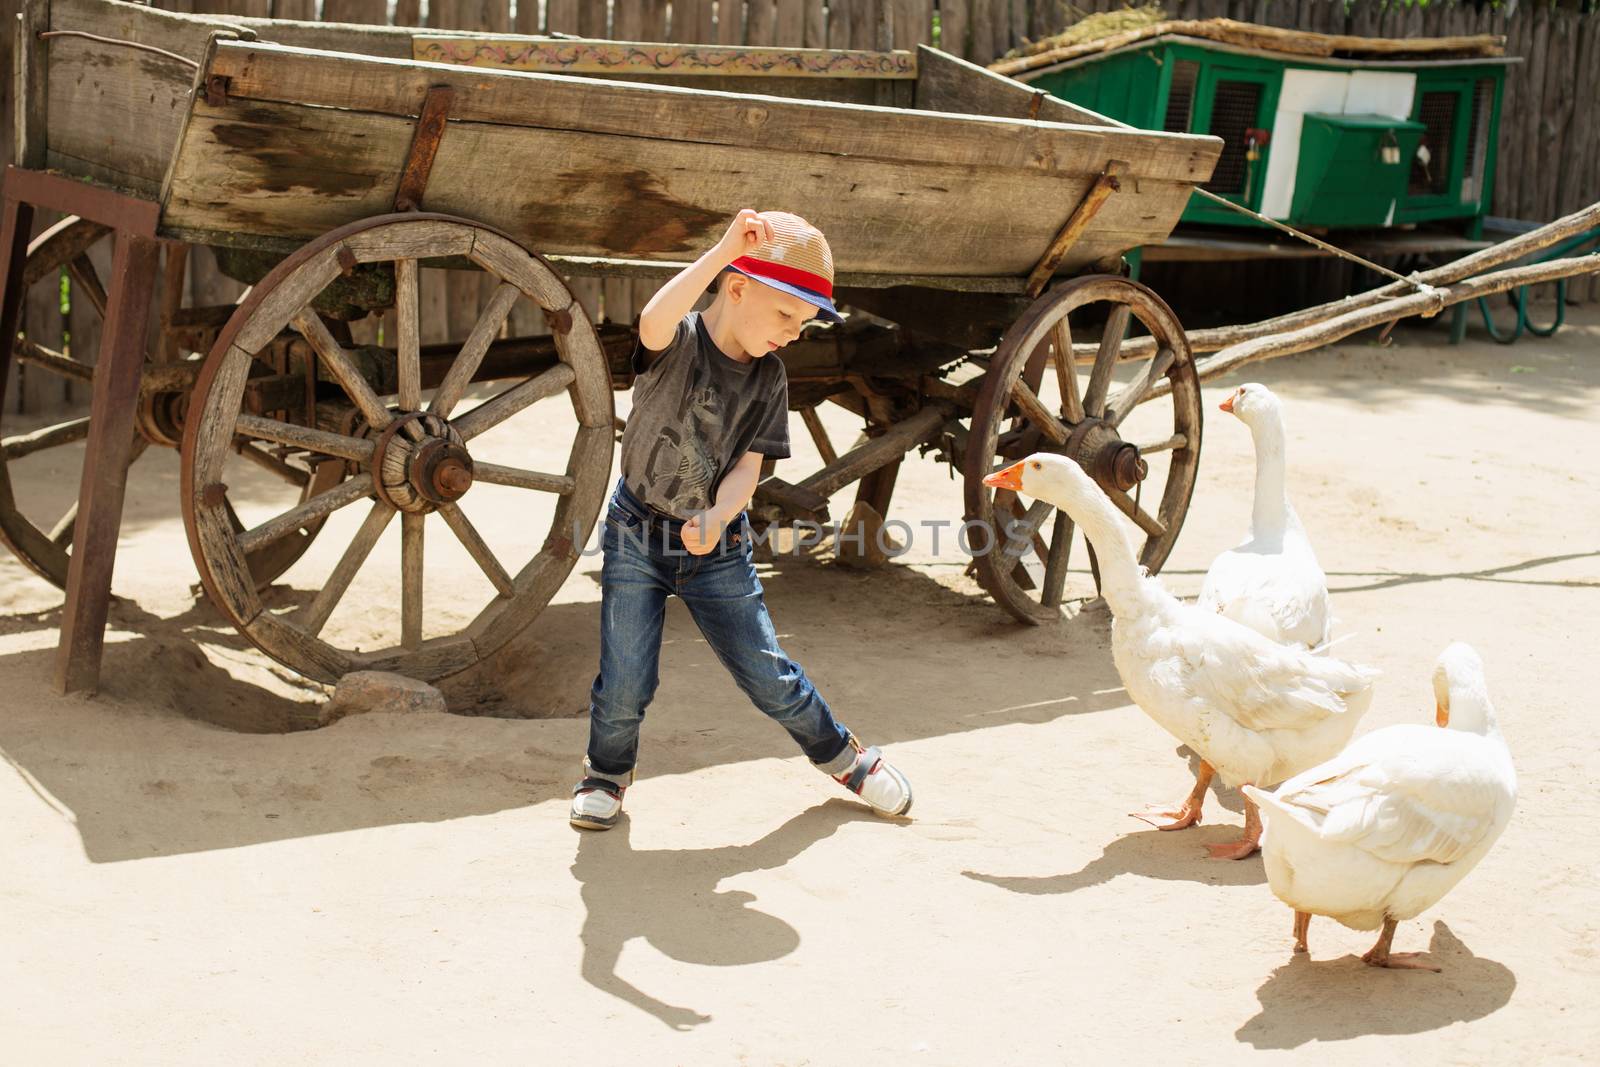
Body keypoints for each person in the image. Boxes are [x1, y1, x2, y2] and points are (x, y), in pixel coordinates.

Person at [569, 209, 913, 830]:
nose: (791, 333)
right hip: (636, 532)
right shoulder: (677, 341)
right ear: (735, 287)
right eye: (785, 315)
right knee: (624, 679)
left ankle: (845, 757)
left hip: (717, 548)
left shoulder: (770, 377)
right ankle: (606, 773)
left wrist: (722, 512)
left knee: (766, 671)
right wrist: (724, 248)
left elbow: (750, 466)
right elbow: (652, 318)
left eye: (803, 325)